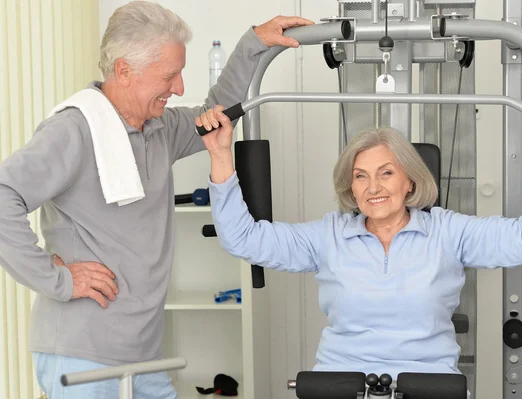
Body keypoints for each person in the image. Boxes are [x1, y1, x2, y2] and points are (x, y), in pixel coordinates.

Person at [0, 1, 313, 398]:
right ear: (124, 71)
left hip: (144, 356)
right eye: (170, 75)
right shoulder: (74, 130)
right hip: (83, 356)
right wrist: (57, 279)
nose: (179, 87)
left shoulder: (160, 129)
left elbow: (213, 113)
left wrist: (253, 43)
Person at [197, 100, 522, 379]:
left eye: (386, 173)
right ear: (351, 186)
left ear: (410, 180)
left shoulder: (448, 232)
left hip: (429, 383)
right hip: (341, 381)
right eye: (360, 176)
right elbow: (243, 238)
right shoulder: (328, 236)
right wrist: (218, 154)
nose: (372, 187)